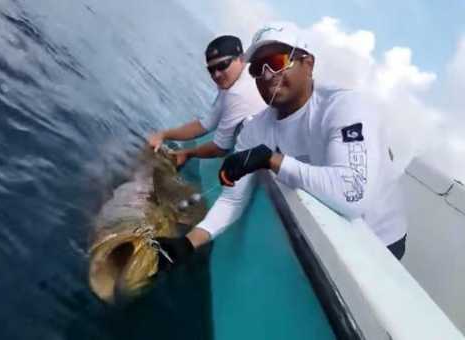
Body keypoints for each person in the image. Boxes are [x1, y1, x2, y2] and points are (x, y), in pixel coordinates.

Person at [156, 23, 408, 269]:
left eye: (276, 62)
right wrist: (187, 244)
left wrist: (271, 160)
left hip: (380, 240)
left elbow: (352, 194)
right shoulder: (256, 129)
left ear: (308, 64)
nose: (267, 74)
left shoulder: (345, 106)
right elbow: (233, 200)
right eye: (257, 69)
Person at [148, 35, 263, 166]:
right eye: (211, 69)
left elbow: (221, 149)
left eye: (222, 65)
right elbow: (206, 124)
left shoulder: (240, 92)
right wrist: (163, 135)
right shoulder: (232, 81)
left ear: (242, 59)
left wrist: (187, 153)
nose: (216, 74)